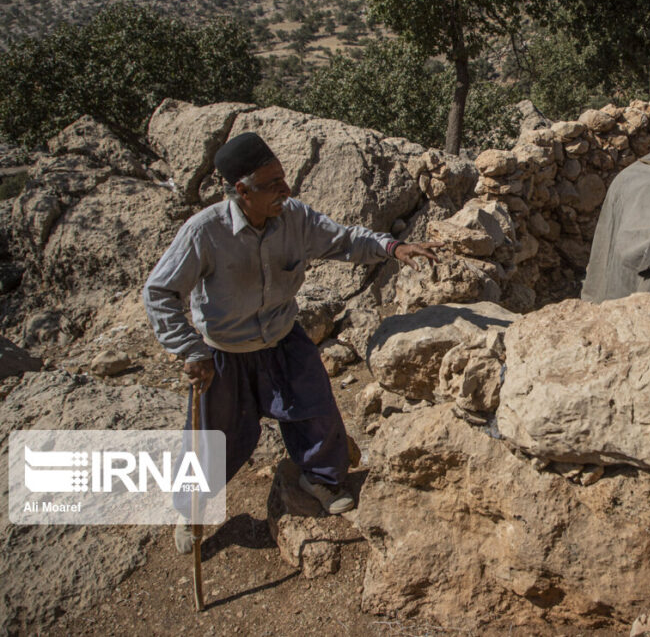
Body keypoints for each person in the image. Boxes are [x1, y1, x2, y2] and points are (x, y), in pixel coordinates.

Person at [143, 132, 441, 553]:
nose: (286, 189)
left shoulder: (293, 217)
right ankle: (191, 507)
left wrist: (393, 247)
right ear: (241, 190)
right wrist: (190, 350)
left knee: (315, 412)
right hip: (224, 353)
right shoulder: (204, 232)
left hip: (283, 339)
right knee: (214, 437)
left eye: (284, 178)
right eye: (273, 183)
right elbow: (159, 293)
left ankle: (319, 479)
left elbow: (345, 240)